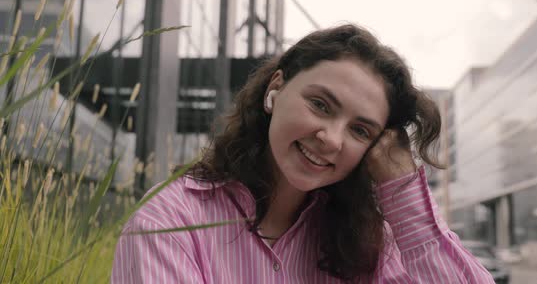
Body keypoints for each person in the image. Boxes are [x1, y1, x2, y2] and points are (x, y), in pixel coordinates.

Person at [111, 24, 494, 283]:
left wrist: (402, 191)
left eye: (360, 130)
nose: (331, 138)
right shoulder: (170, 221)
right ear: (276, 87)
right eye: (321, 105)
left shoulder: (368, 244)